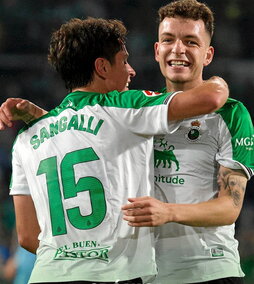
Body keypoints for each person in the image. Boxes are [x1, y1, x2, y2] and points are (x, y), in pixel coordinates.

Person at [0, 16, 229, 284]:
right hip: (113, 276)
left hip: (47, 275)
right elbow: (212, 98)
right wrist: (218, 80)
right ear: (102, 67)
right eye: (123, 60)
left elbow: (27, 236)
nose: (131, 70)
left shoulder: (27, 136)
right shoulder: (123, 106)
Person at [121, 1, 254, 284]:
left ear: (208, 55)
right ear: (157, 50)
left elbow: (230, 207)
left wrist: (167, 212)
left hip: (211, 271)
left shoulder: (231, 113)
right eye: (168, 40)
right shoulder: (137, 109)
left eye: (191, 42)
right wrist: (37, 116)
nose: (178, 49)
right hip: (144, 275)